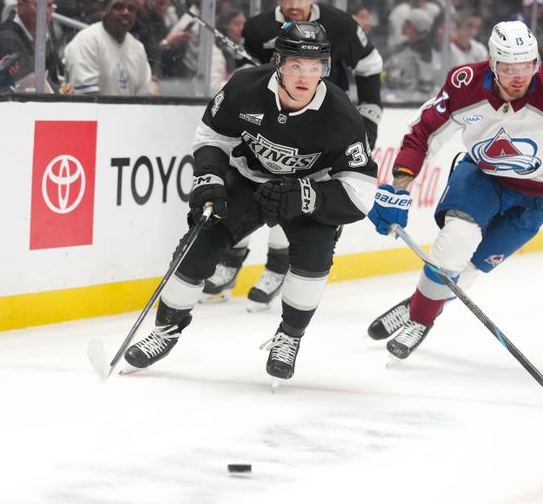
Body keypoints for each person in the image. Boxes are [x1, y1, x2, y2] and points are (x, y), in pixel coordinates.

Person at [366, 20, 543, 360]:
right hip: (482, 176)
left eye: (527, 66)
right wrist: (398, 187)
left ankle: (419, 303)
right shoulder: (464, 85)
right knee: (456, 241)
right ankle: (421, 320)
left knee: (470, 271)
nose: (519, 77)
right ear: (493, 63)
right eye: (509, 68)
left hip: (538, 197)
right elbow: (423, 133)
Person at [122, 21, 377, 382]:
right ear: (279, 64)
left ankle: (289, 337)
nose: (304, 77)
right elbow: (211, 134)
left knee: (315, 260)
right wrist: (209, 178)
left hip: (307, 195)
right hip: (247, 181)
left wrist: (308, 197)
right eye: (295, 66)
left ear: (325, 68)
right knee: (197, 245)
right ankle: (166, 329)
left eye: (313, 68)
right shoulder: (245, 86)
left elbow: (360, 189)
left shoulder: (343, 116)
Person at [203, 0, 384, 310]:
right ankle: (230, 261)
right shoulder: (258, 28)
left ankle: (276, 266)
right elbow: (246, 75)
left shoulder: (339, 24)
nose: (294, 5)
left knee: (289, 195)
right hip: (267, 121)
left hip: (320, 129)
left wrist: (368, 119)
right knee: (244, 187)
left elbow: (371, 64)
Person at [64, 0, 154, 95]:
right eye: (118, 7)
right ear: (103, 11)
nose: (126, 13)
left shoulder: (138, 48)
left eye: (131, 9)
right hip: (91, 111)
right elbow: (88, 97)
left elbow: (144, 96)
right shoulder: (87, 40)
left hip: (127, 111)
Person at [0, 0, 68, 93]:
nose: (46, 12)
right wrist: (60, 91)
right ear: (21, 7)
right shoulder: (8, 40)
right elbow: (28, 84)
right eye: (39, 5)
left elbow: (50, 74)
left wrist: (64, 88)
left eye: (49, 6)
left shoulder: (46, 31)